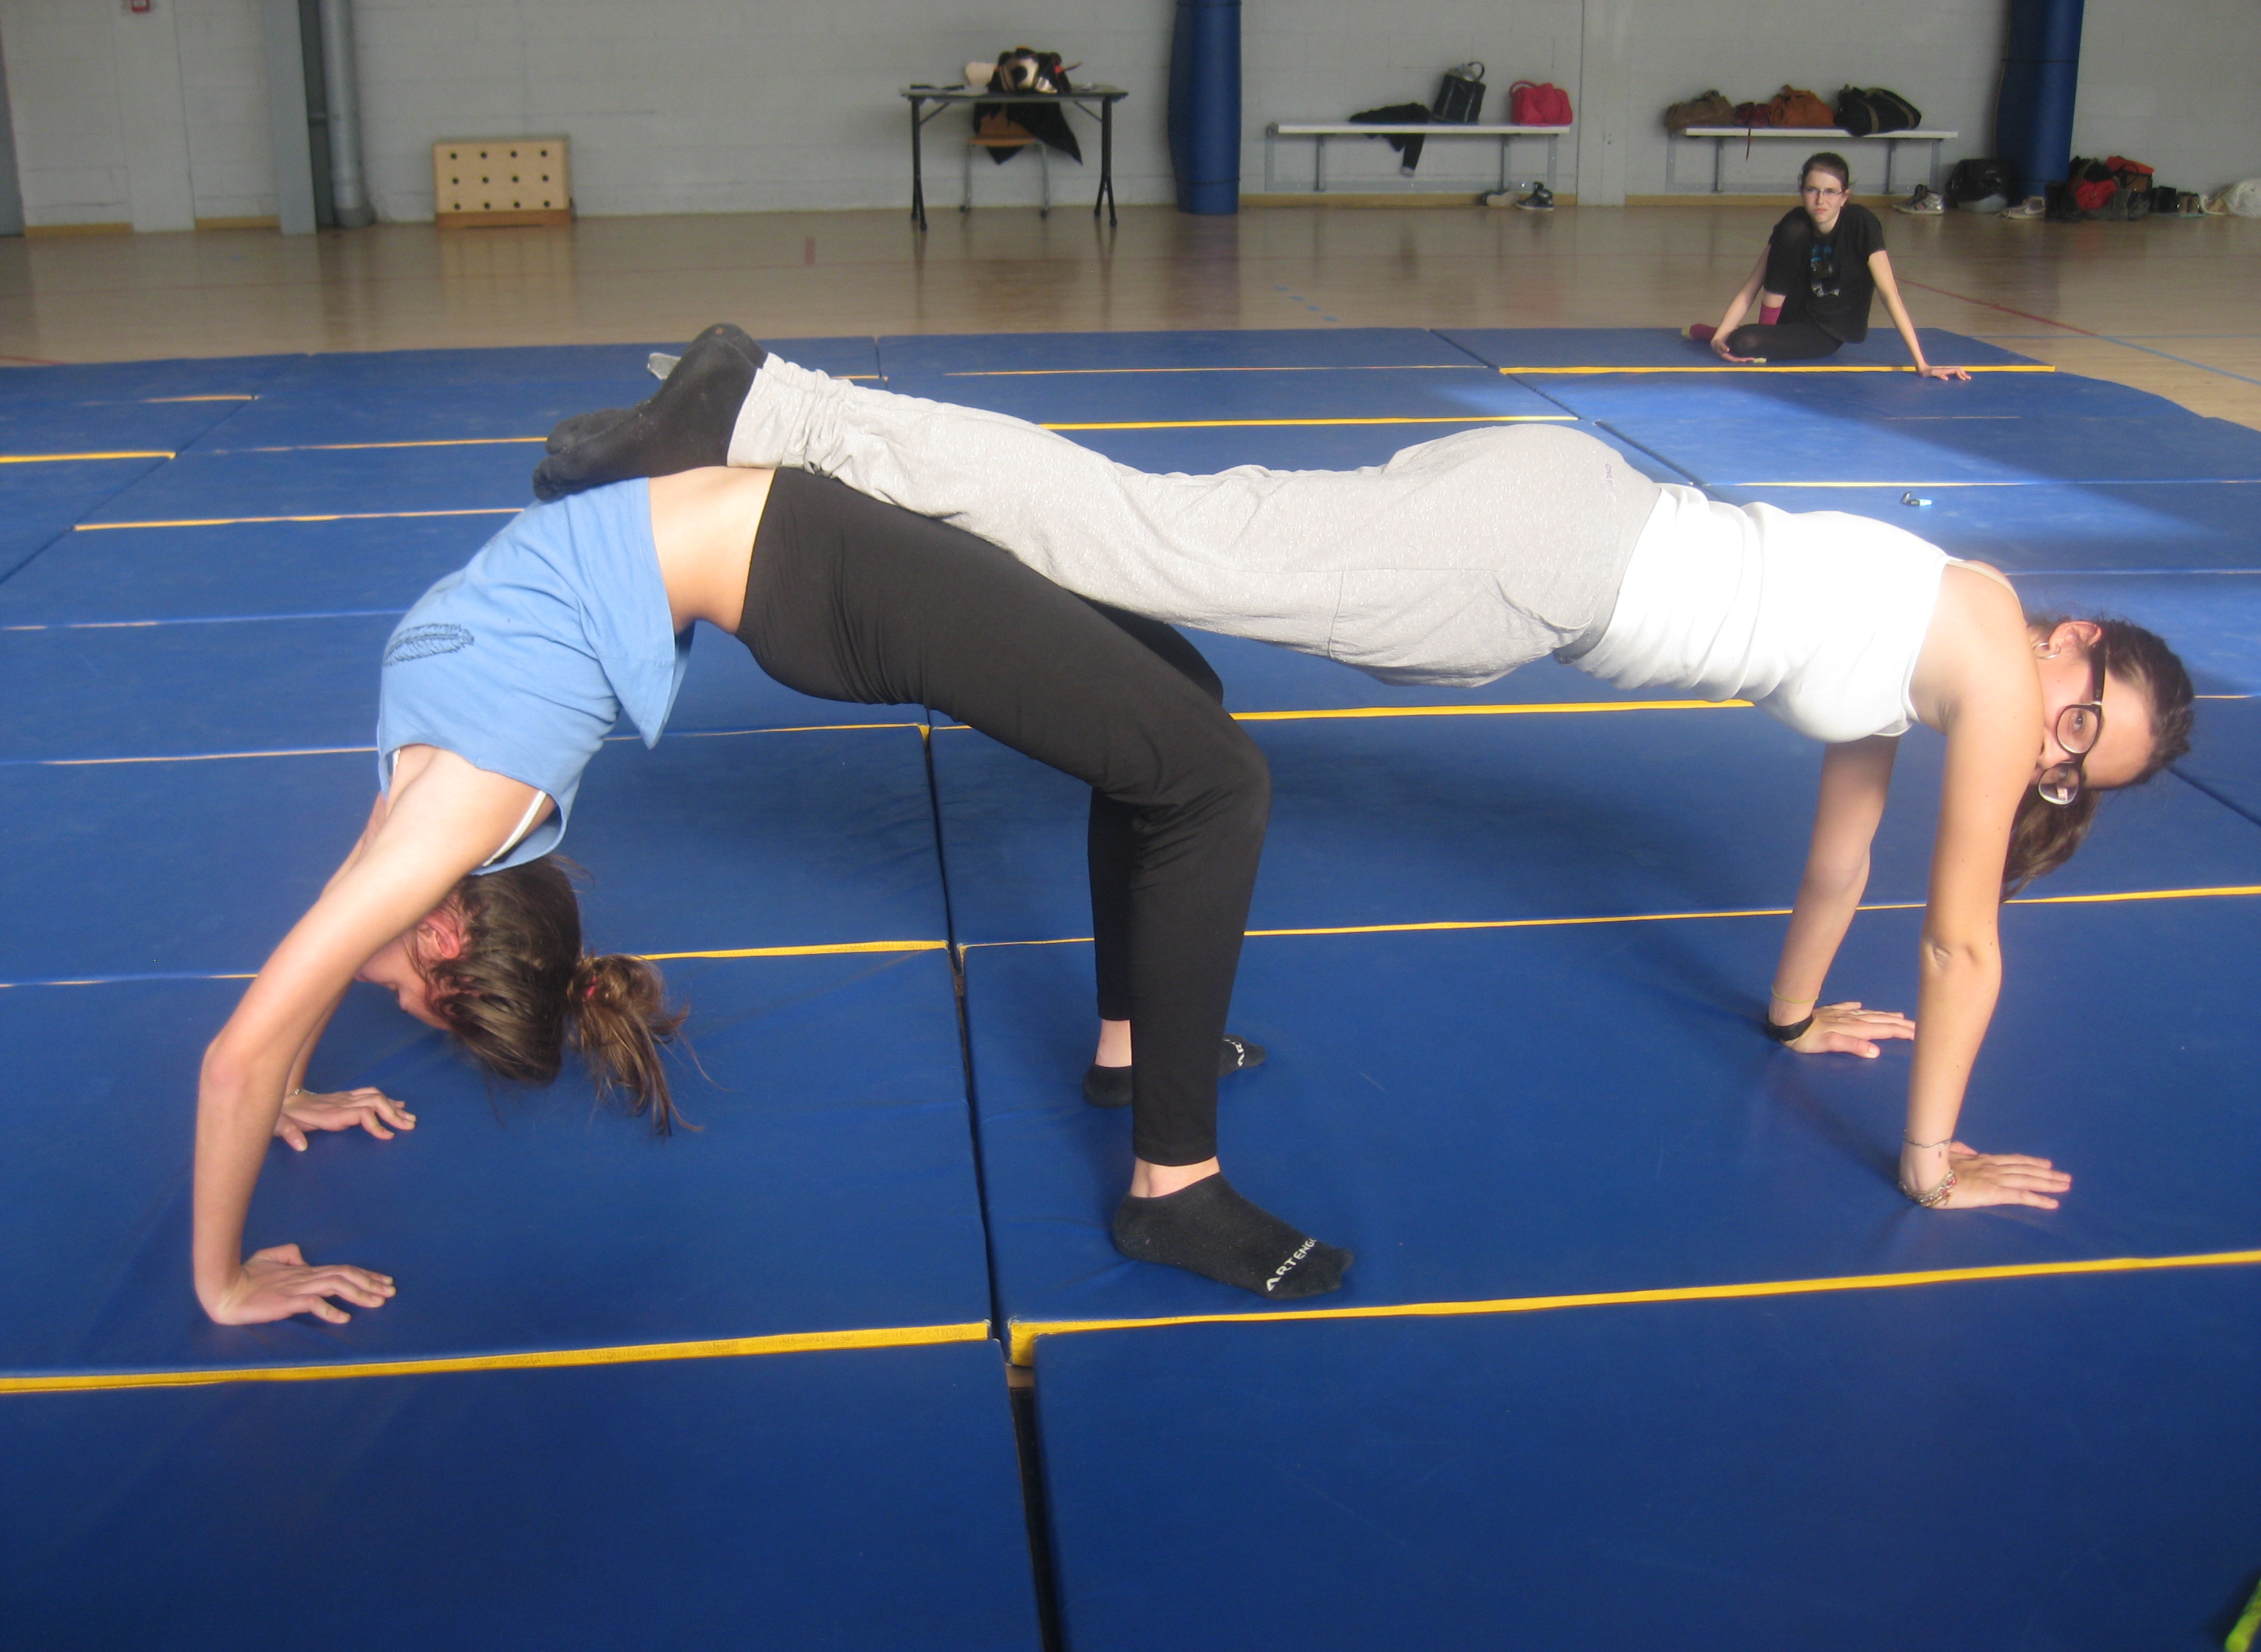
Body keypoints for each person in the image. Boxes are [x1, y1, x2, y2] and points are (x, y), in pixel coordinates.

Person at [537, 325, 2197, 1216]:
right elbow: (1962, 933)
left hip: (1537, 560)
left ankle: (805, 476)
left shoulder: (1924, 655)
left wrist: (1789, 1012)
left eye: (2080, 768)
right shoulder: (1984, 644)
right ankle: (763, 408)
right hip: (1536, 556)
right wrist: (1929, 1158)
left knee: (1142, 559)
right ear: (2074, 644)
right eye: (2081, 710)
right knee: (1150, 534)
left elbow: (1848, 855)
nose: (2054, 752)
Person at [191, 432, 1360, 1330]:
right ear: (450, 926)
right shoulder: (439, 812)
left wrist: (227, 1264)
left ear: (441, 933)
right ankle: (1173, 1183)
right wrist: (265, 1151)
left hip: (811, 550)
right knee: (1211, 778)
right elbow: (304, 979)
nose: (380, 988)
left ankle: (1129, 1051)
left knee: (1174, 701)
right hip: (815, 570)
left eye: (412, 999)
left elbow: (251, 1036)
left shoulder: (427, 815)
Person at [1686, 151, 1969, 378]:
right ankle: (1744, 333)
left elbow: (1889, 294)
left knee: (1745, 342)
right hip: (1791, 311)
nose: (1821, 200)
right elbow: (1754, 284)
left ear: (1844, 196)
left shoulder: (1861, 223)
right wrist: (1722, 334)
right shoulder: (1794, 223)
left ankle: (1749, 336)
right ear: (1802, 191)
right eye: (1812, 190)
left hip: (1825, 330)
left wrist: (1922, 364)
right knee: (1792, 231)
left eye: (1831, 192)